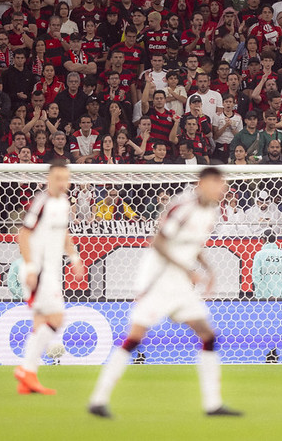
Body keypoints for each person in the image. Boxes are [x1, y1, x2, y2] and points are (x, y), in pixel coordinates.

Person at [89, 167, 242, 418]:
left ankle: (213, 405)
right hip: (158, 279)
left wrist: (207, 269)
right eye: (217, 182)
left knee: (208, 335)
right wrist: (188, 270)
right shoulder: (183, 207)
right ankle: (98, 399)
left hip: (179, 282)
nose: (221, 187)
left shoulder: (210, 213)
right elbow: (159, 242)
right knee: (135, 337)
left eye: (223, 183)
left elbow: (191, 245)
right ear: (202, 183)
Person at [14, 160, 85, 395]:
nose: (63, 183)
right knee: (57, 318)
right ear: (49, 180)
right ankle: (26, 369)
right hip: (40, 271)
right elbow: (22, 236)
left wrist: (75, 258)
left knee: (41, 321)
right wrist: (32, 268)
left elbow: (63, 232)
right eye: (58, 179)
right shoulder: (42, 202)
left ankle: (28, 380)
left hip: (51, 271)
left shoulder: (64, 203)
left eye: (66, 179)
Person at [252, 230, 282, 299]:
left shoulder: (259, 255)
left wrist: (268, 296)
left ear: (263, 240)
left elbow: (256, 277)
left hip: (263, 299)